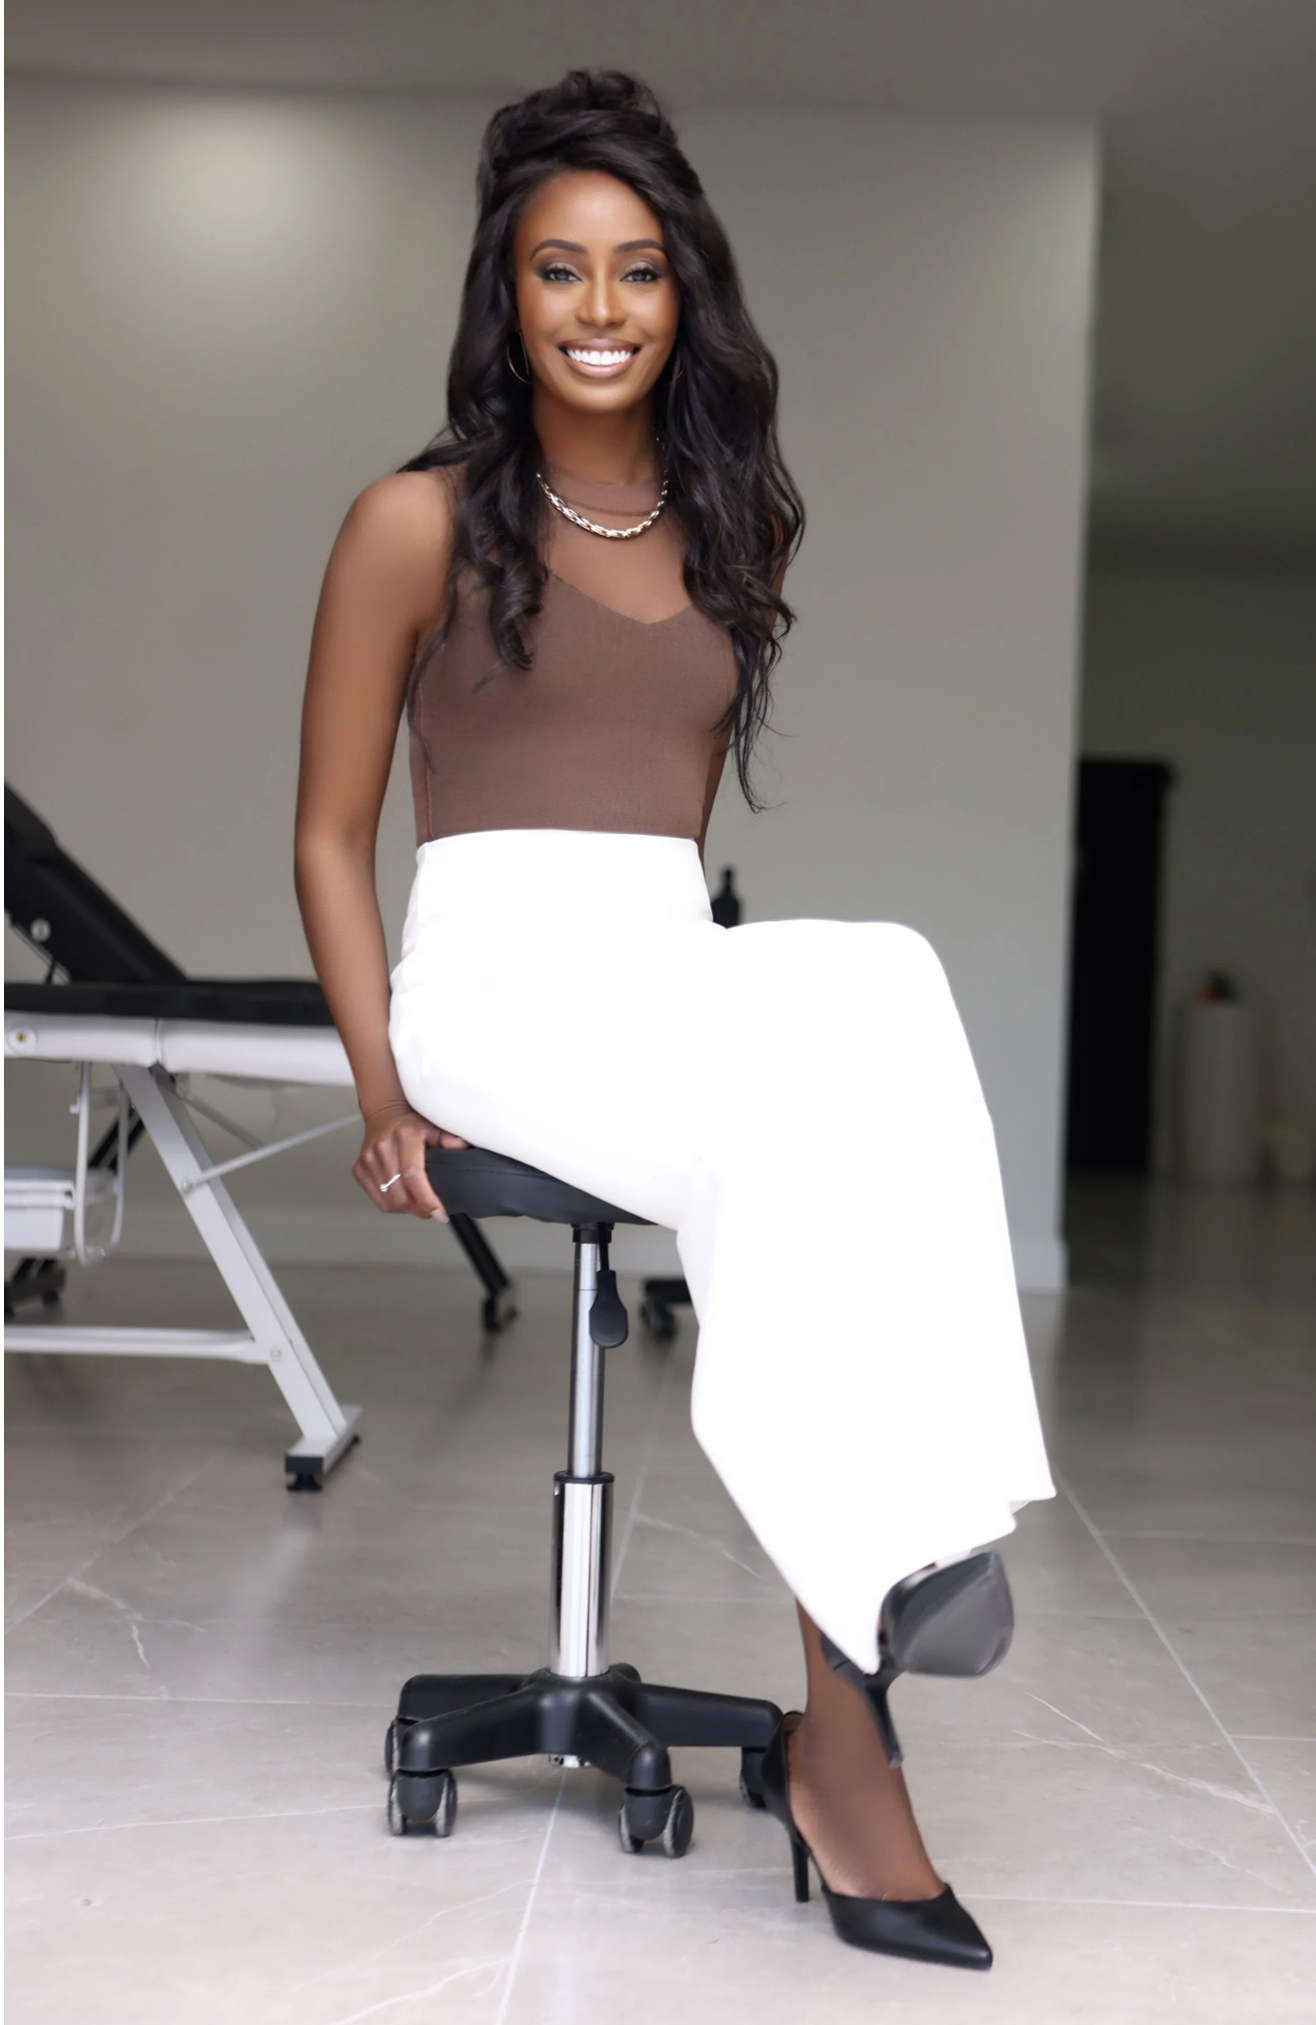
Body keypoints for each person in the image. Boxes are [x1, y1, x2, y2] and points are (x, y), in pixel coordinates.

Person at [295, 70, 1053, 1970]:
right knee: (792, 1108)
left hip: (654, 956)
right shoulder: (413, 520)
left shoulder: (740, 532)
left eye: (640, 270)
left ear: (686, 293)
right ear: (510, 295)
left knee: (881, 973)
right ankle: (856, 1691)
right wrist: (384, 1086)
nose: (605, 307)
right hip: (489, 978)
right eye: (563, 271)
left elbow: (680, 834)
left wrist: (715, 1002)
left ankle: (909, 1549)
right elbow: (324, 833)